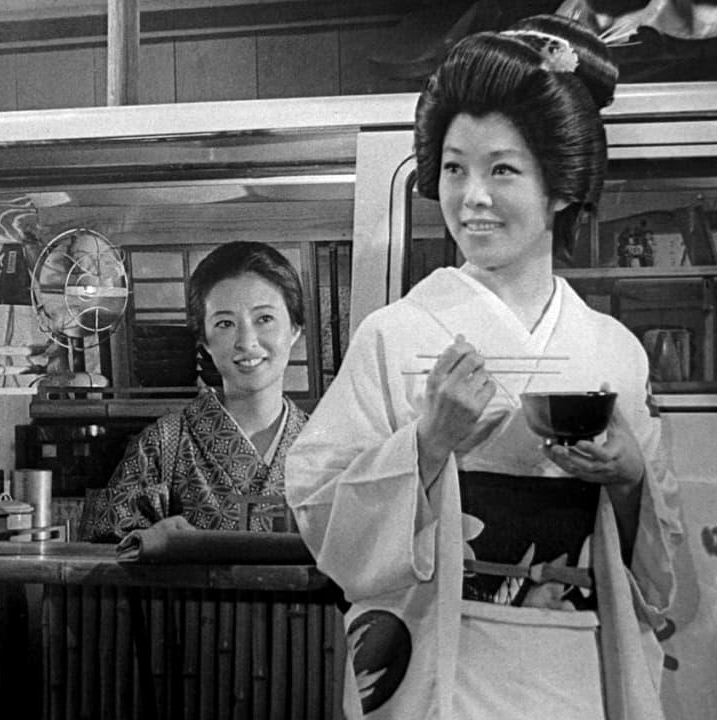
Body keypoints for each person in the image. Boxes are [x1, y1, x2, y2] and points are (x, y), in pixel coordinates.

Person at [285, 14, 685, 720]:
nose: (471, 196)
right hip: (446, 666)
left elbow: (662, 579)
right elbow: (323, 517)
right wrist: (427, 444)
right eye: (453, 168)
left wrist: (627, 481)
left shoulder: (614, 349)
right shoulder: (396, 334)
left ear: (560, 186)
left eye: (502, 169)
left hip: (581, 664)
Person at [80, 241, 309, 542]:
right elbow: (102, 553)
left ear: (294, 329)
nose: (247, 341)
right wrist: (150, 543)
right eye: (225, 323)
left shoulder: (327, 446)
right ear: (204, 341)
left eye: (264, 318)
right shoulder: (162, 445)